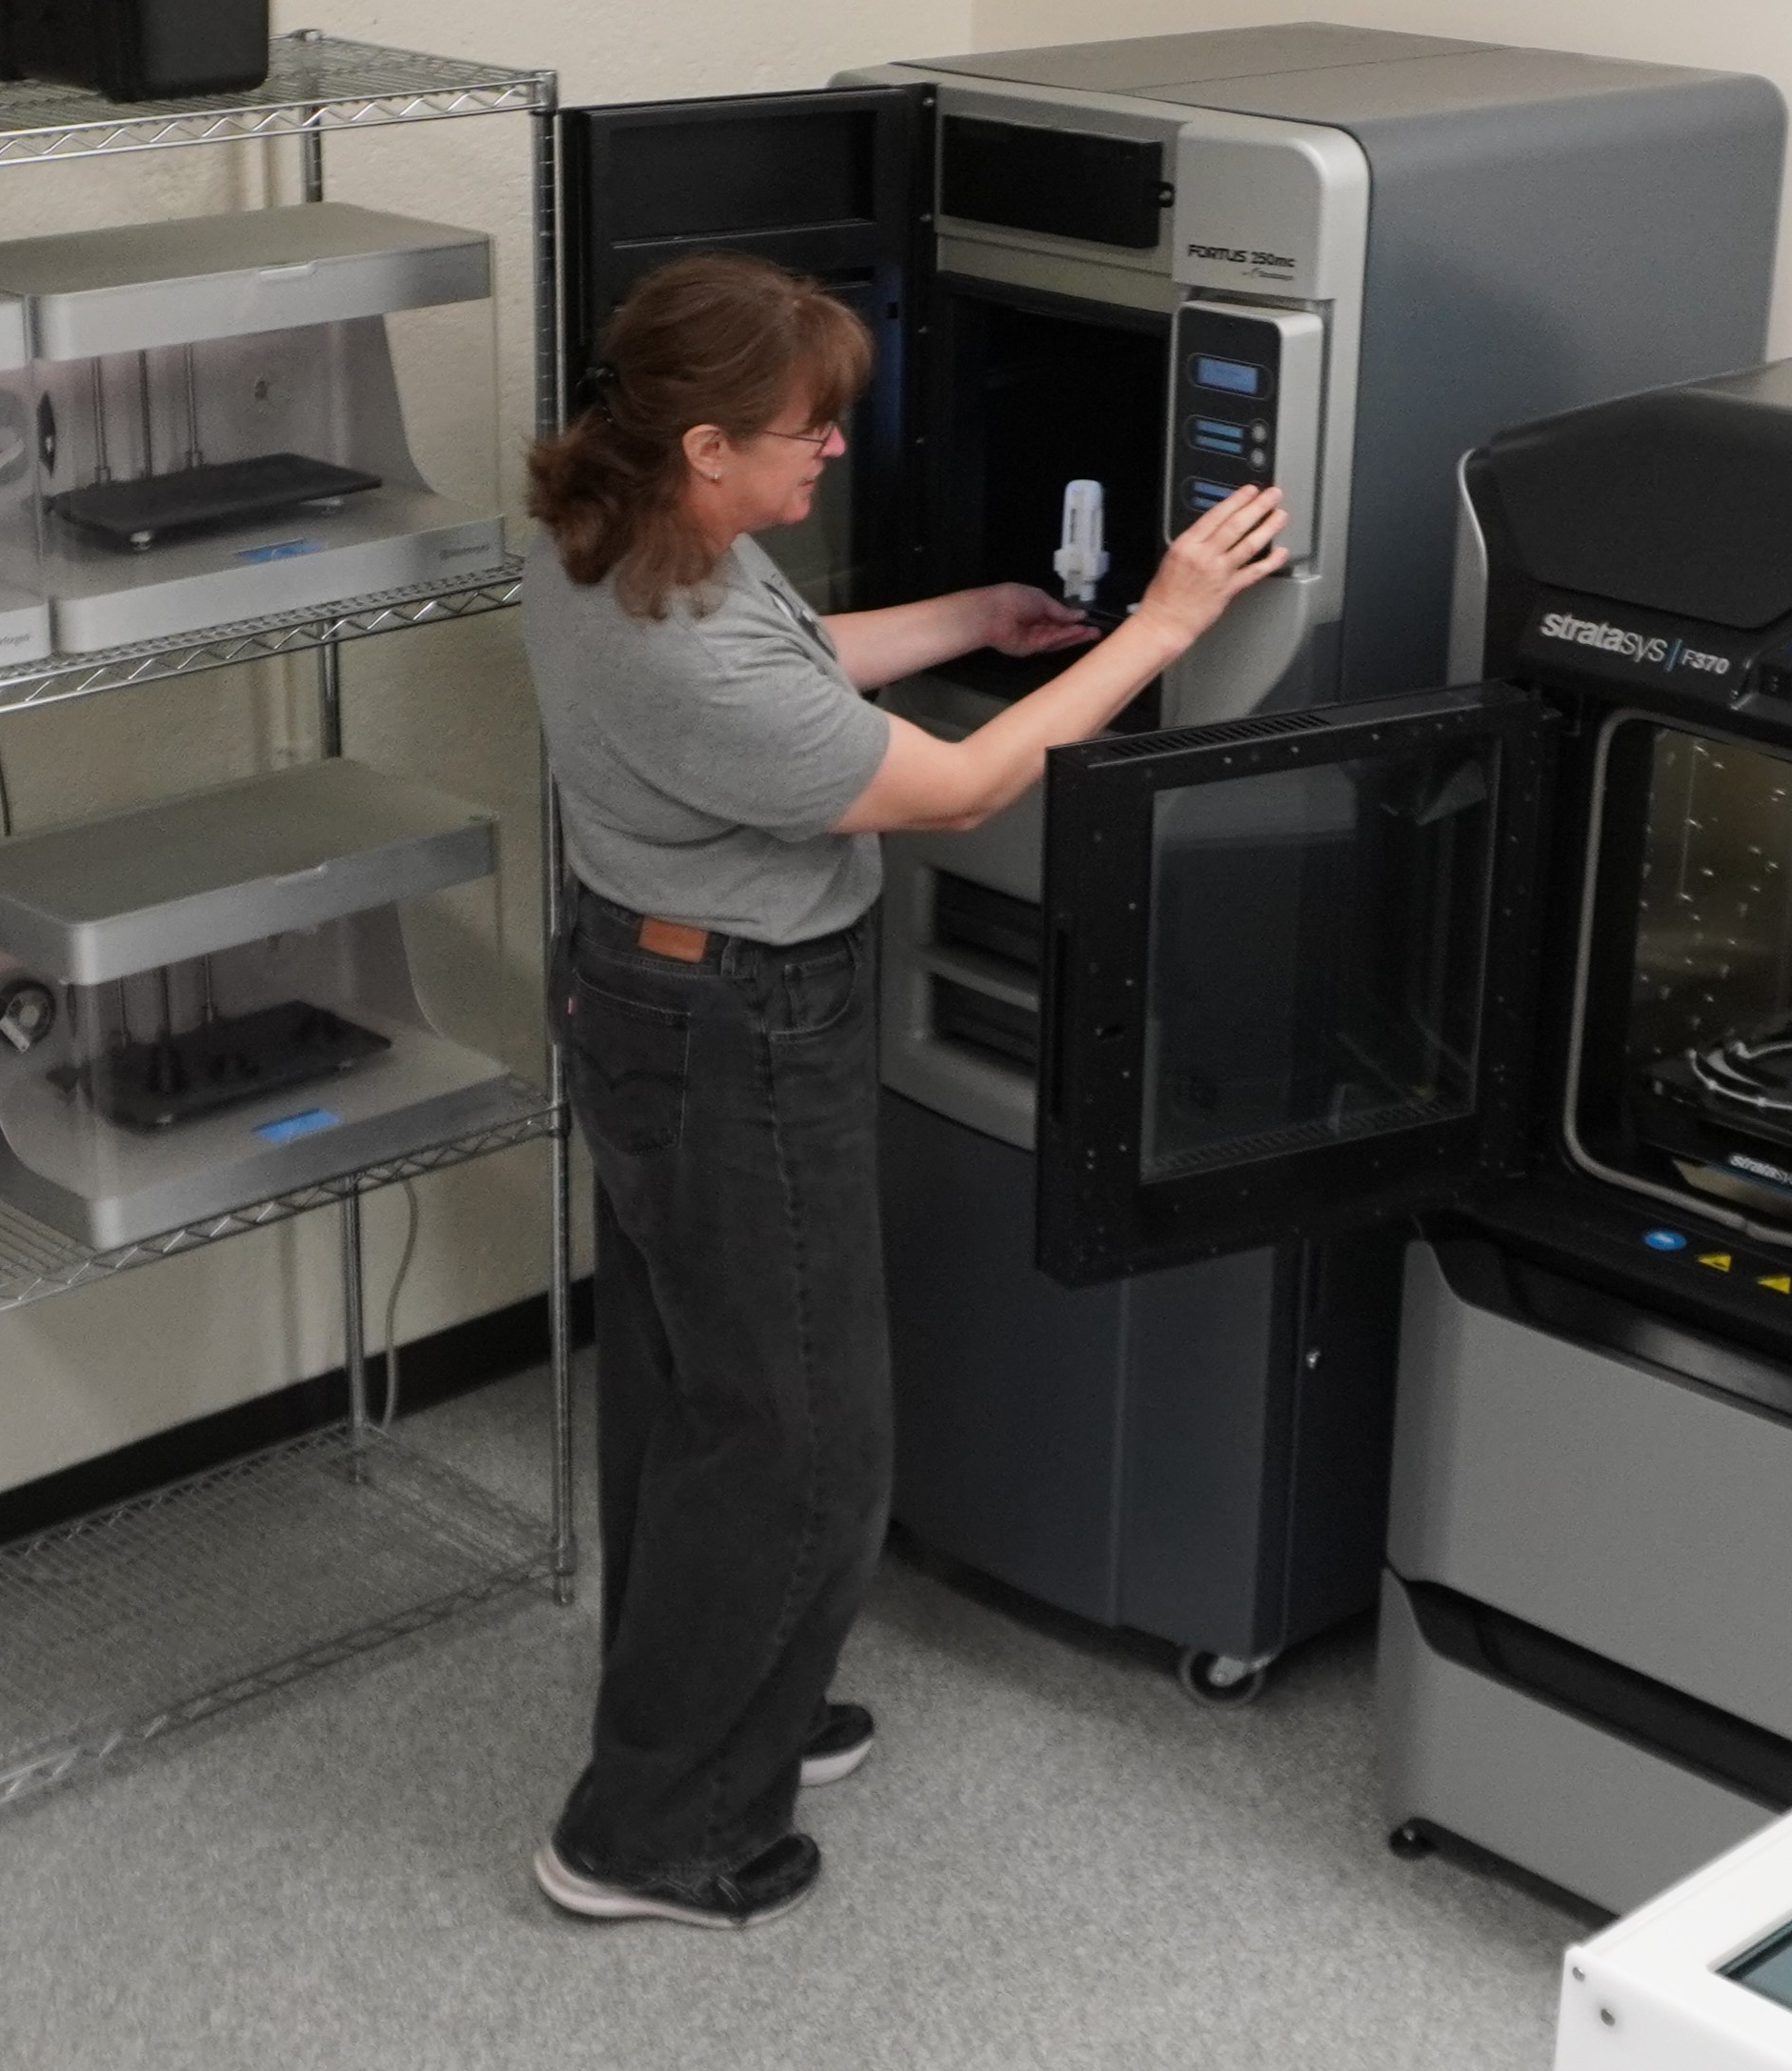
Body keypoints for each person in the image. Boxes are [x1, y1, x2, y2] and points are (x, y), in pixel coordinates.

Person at [520, 253, 1293, 1928]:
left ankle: (738, 1713)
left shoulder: (605, 529)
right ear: (709, 445)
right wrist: (1163, 626)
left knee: (691, 1387)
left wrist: (974, 618)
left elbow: (799, 665)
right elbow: (950, 793)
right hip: (734, 1026)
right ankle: (649, 1831)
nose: (836, 459)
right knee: (803, 1442)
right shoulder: (686, 651)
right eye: (809, 434)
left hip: (641, 982)